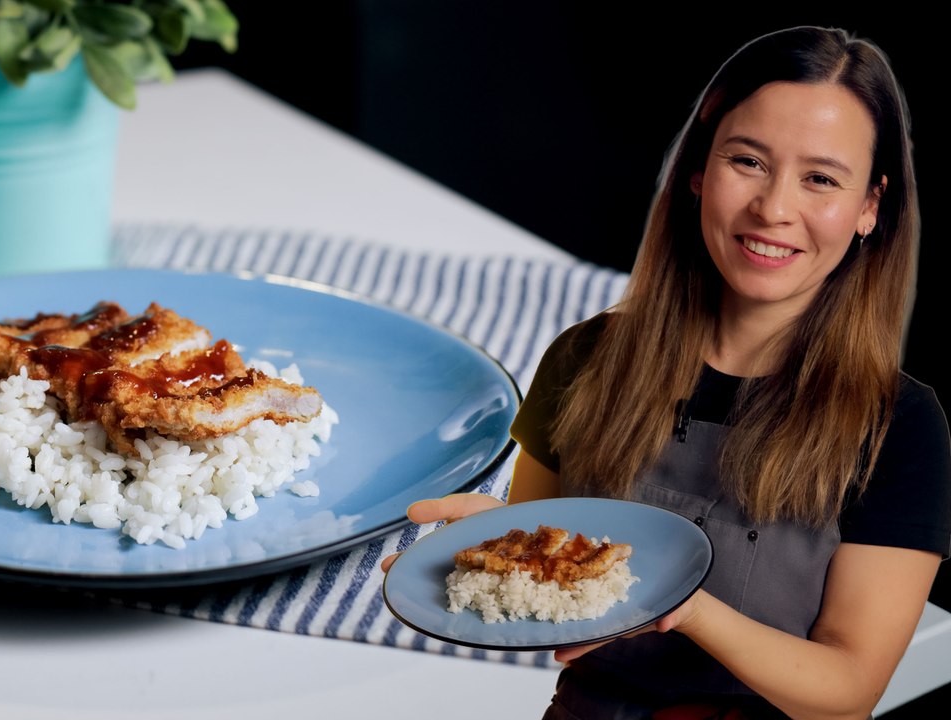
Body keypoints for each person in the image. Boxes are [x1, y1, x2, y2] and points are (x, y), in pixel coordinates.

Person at [381, 25, 951, 720]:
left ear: (870, 208)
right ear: (698, 171)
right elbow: (551, 576)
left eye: (821, 179)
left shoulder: (901, 426)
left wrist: (682, 607)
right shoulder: (585, 359)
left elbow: (848, 690)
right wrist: (494, 552)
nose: (774, 209)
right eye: (749, 161)